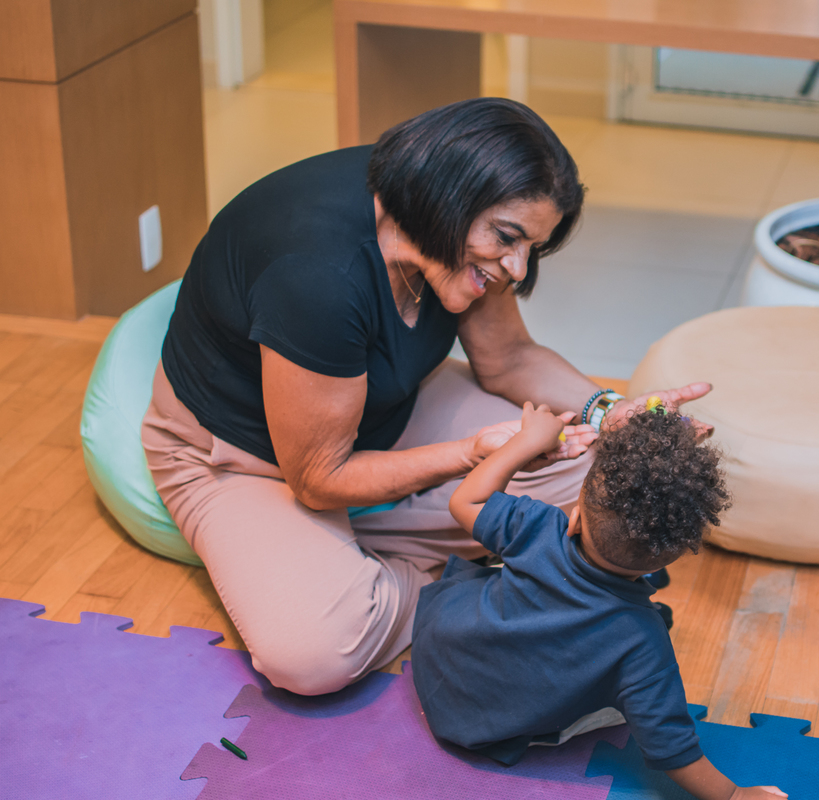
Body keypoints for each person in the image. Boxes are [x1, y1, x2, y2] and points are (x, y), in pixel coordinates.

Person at [141, 97, 711, 696]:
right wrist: (473, 456)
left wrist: (610, 412)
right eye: (508, 238)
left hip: (388, 410)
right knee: (312, 654)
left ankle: (369, 559)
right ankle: (485, 594)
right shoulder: (318, 273)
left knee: (597, 468)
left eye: (530, 248)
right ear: (450, 198)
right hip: (247, 460)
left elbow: (508, 357)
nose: (518, 268)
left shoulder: (456, 230)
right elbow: (317, 479)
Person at [412, 404, 786, 800]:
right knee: (629, 695)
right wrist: (733, 795)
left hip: (437, 653)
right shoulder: (644, 642)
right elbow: (671, 746)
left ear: (574, 520)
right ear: (672, 556)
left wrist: (527, 441)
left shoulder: (538, 528)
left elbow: (466, 502)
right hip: (490, 731)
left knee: (497, 570)